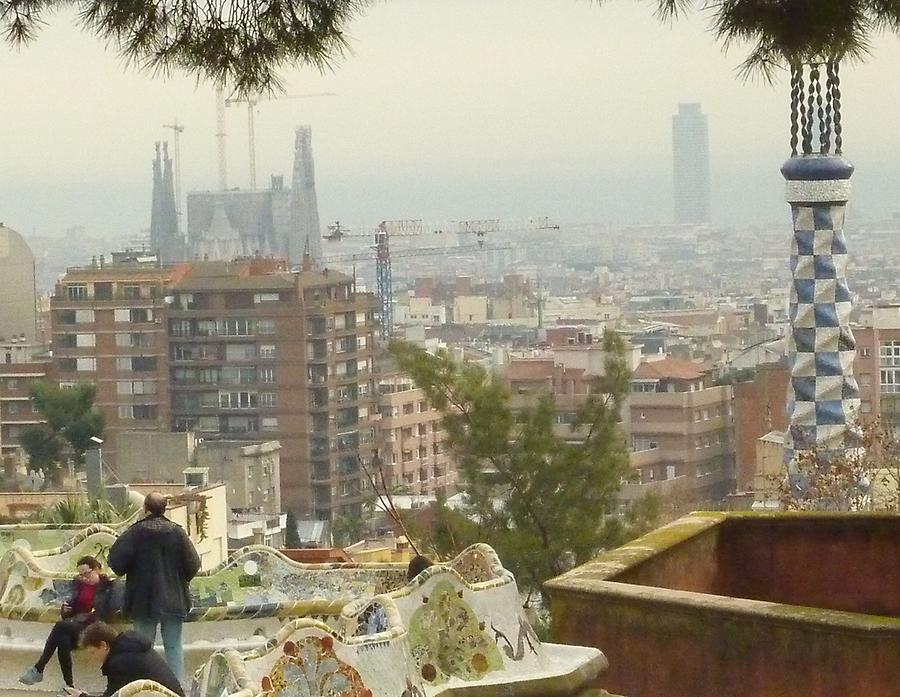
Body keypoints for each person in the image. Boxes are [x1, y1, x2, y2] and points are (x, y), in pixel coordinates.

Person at [107, 492, 200, 683]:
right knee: (174, 646)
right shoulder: (177, 532)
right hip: (174, 600)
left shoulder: (134, 533)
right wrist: (178, 582)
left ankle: (144, 686)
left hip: (143, 600)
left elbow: (116, 563)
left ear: (145, 508)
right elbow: (193, 564)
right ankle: (177, 689)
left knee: (141, 647)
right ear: (165, 509)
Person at [19, 555, 113, 688]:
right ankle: (69, 686)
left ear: (97, 569)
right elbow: (71, 607)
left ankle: (39, 668)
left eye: (87, 573)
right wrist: (66, 610)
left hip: (94, 628)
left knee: (60, 626)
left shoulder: (107, 586)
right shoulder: (79, 584)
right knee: (62, 640)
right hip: (76, 626)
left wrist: (84, 616)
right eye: (81, 575)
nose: (84, 578)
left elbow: (104, 613)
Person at [62, 621, 185, 697]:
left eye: (93, 652)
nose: (92, 658)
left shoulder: (120, 662)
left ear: (104, 645)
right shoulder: (129, 649)